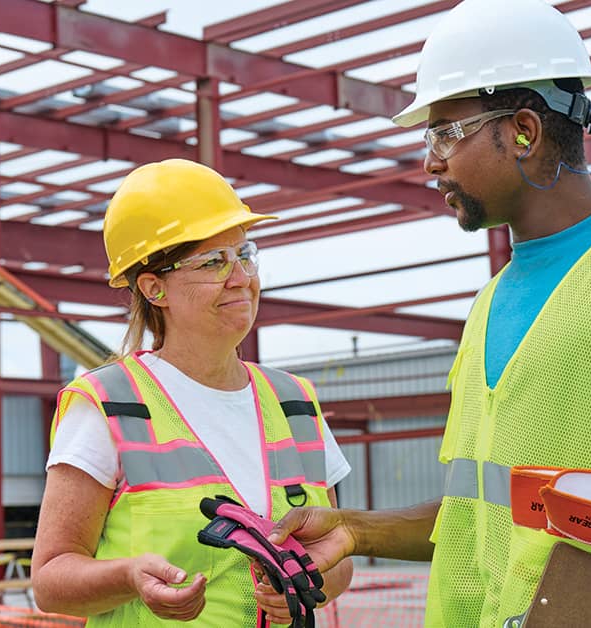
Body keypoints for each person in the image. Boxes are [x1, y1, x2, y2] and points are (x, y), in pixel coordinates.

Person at [268, 0, 591, 626]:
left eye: (445, 132)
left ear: (523, 132)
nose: (431, 161)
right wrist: (353, 529)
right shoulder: (488, 304)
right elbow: (483, 513)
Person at [31, 159, 354, 625]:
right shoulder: (109, 404)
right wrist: (127, 577)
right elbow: (49, 579)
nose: (241, 277)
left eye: (244, 254)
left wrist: (308, 583)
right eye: (213, 262)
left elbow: (338, 556)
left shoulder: (295, 402)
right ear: (154, 288)